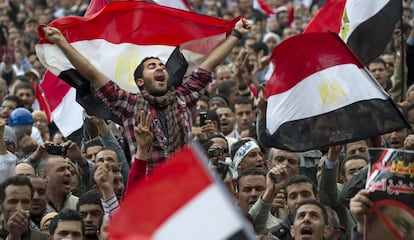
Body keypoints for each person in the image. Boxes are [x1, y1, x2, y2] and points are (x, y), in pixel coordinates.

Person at [42, 19, 251, 173]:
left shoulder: (183, 97)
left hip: (185, 184)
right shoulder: (129, 105)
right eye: (152, 67)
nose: (160, 68)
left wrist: (236, 35)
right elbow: (91, 73)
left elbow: (210, 65)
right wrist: (61, 42)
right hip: (149, 188)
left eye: (161, 66)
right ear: (140, 82)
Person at [0, 175, 47, 239]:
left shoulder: (44, 238)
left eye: (25, 202)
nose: (19, 208)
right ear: (1, 205)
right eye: (13, 202)